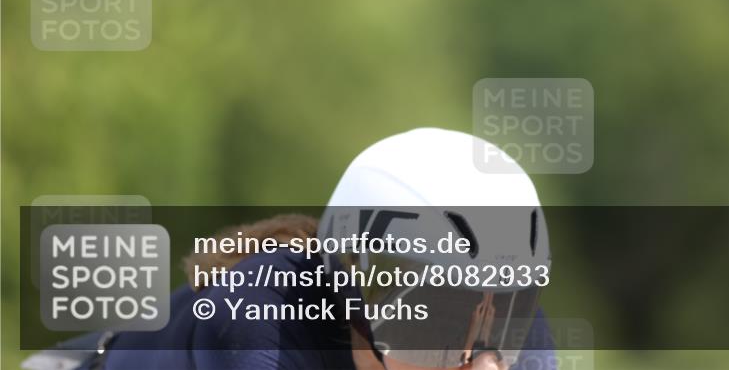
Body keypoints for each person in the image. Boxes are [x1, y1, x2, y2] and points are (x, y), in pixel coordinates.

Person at [26, 128, 554, 370]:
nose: (485, 366)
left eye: (502, 318)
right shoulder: (262, 325)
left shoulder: (520, 346)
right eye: (437, 327)